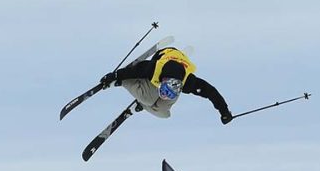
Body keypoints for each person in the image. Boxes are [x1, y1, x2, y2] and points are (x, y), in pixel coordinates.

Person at [98, 47, 233, 123]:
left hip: (174, 75)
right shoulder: (153, 69)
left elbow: (211, 92)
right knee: (148, 98)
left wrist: (224, 112)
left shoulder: (188, 82)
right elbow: (133, 70)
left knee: (164, 115)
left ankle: (143, 105)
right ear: (163, 82)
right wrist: (115, 76)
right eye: (164, 91)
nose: (164, 95)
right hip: (164, 57)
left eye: (169, 94)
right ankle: (128, 87)